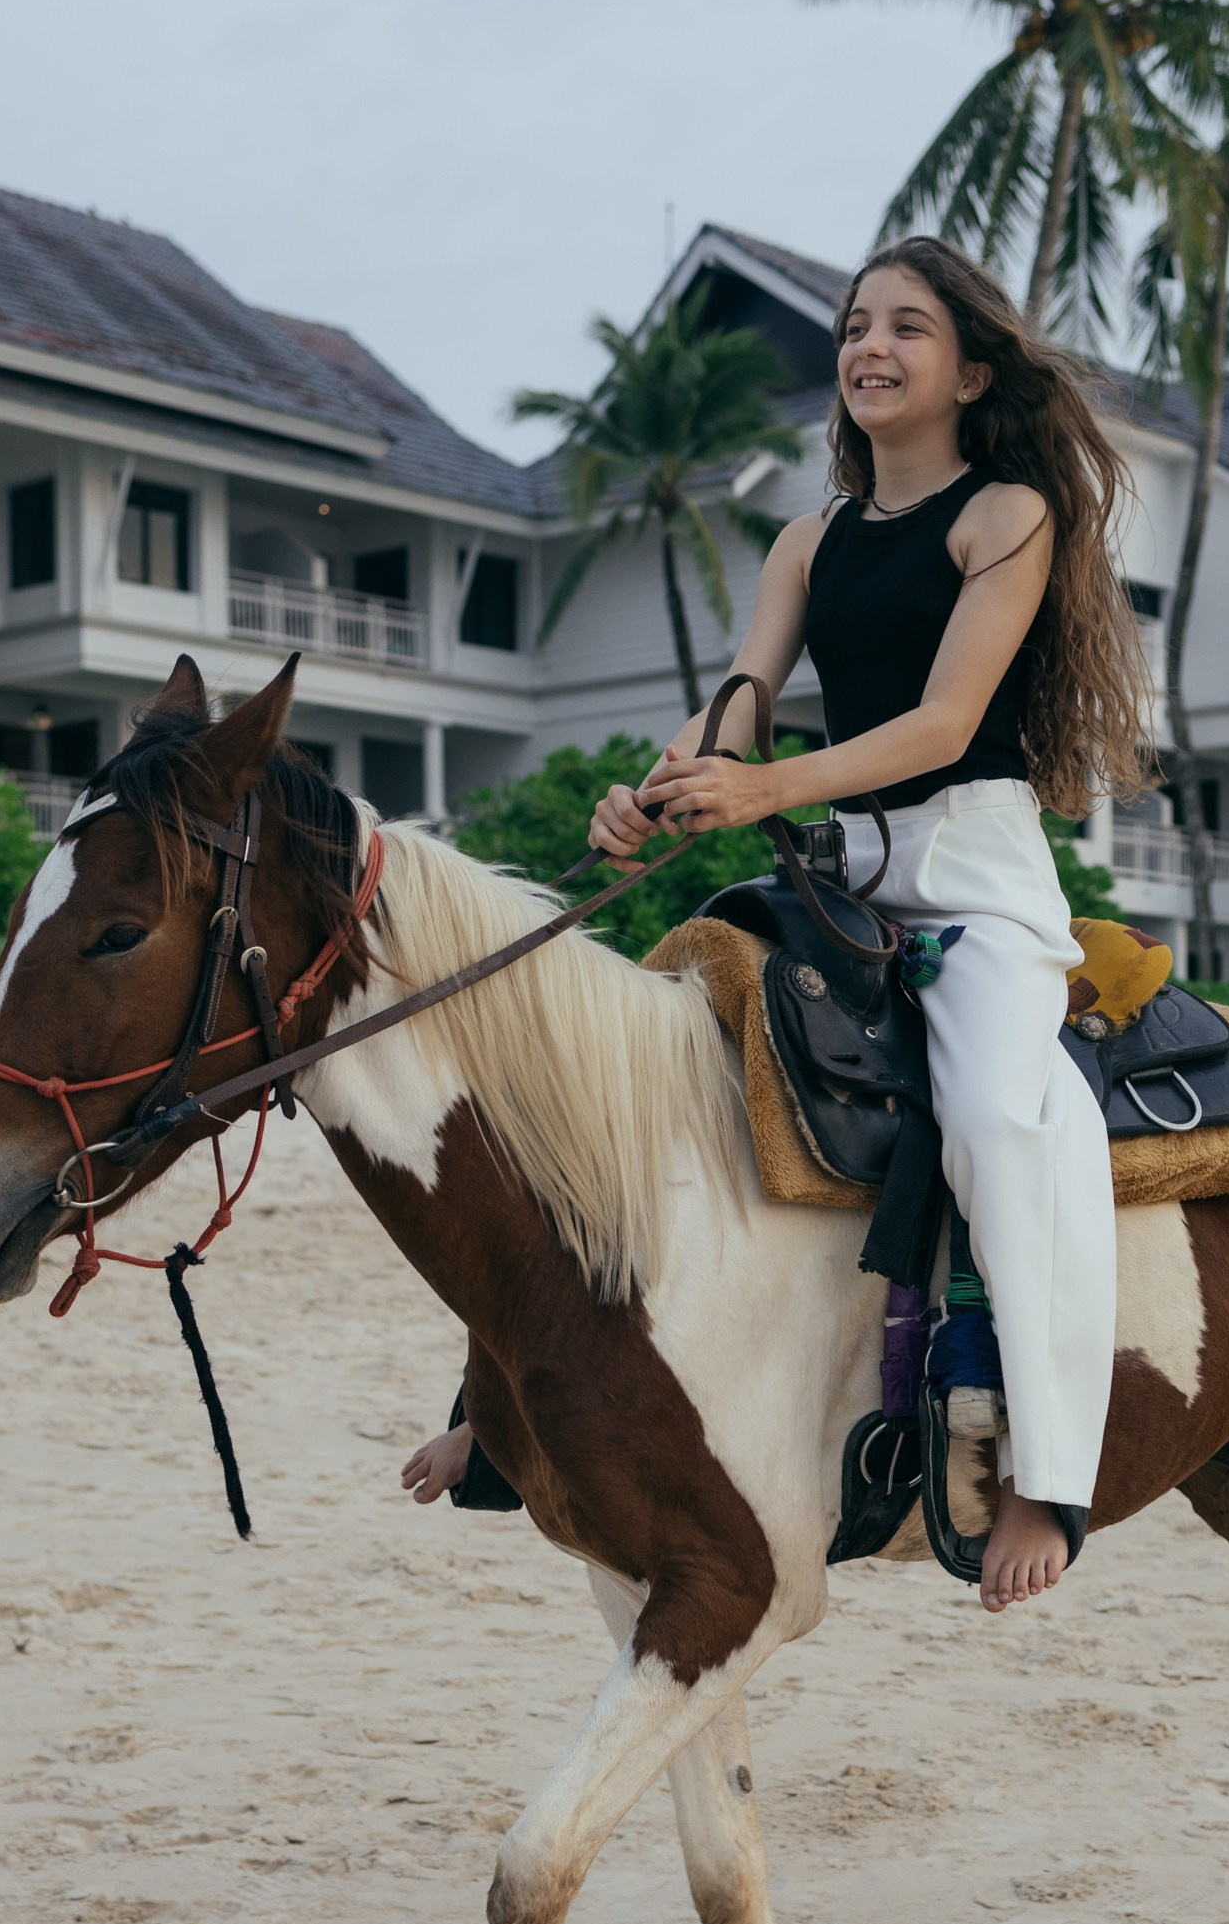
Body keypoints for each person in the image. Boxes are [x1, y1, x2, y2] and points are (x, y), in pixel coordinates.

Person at [403, 235, 1150, 1610]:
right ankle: (499, 1410)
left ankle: (1050, 1469)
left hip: (973, 877)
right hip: (835, 873)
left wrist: (763, 787)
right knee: (619, 1076)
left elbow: (942, 720)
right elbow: (748, 689)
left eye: (906, 328)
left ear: (972, 369)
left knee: (997, 1116)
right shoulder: (810, 539)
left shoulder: (1008, 516)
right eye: (857, 326)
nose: (870, 347)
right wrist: (669, 785)